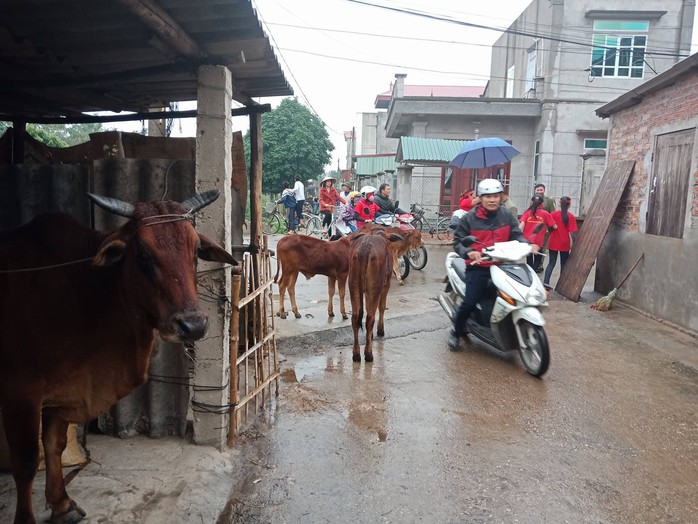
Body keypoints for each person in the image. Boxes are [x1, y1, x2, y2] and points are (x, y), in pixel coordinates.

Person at [448, 179, 534, 350]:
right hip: (478, 266)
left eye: (496, 196)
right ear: (480, 198)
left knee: (516, 296)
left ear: (501, 197)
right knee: (469, 303)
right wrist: (469, 252)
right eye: (488, 196)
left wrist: (526, 244)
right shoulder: (469, 218)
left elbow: (517, 234)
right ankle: (455, 332)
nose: (492, 200)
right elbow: (458, 242)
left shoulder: (507, 215)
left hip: (504, 265)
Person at [544, 196, 578, 288]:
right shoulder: (570, 216)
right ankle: (562, 285)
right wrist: (575, 244)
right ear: (569, 205)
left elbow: (548, 227)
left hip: (553, 241)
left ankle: (546, 283)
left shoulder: (553, 214)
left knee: (551, 263)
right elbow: (573, 232)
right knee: (564, 263)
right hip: (564, 242)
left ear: (559, 203)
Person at [519, 195, 556, 270]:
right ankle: (534, 272)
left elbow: (521, 225)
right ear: (542, 204)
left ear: (531, 202)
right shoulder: (545, 214)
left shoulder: (527, 212)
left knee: (529, 260)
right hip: (538, 242)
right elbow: (554, 226)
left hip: (527, 241)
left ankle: (530, 273)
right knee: (537, 260)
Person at [533, 182, 555, 271]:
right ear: (535, 191)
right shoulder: (532, 200)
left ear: (544, 191)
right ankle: (533, 264)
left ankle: (539, 265)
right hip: (533, 227)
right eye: (537, 190)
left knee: (542, 246)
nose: (539, 191)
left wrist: (548, 227)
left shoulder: (549, 200)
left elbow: (552, 214)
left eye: (541, 190)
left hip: (544, 228)